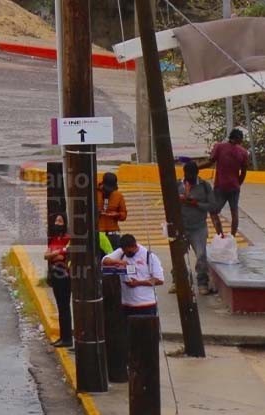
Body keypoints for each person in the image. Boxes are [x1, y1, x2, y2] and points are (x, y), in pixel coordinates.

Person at [172, 161, 216, 295]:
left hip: (198, 227)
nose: (189, 177)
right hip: (181, 226)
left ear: (197, 173)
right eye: (187, 174)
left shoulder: (204, 186)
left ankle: (202, 282)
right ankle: (177, 281)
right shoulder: (178, 185)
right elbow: (169, 203)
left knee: (201, 255)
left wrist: (196, 204)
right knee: (179, 255)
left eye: (192, 174)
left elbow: (212, 206)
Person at [200, 128, 249, 236]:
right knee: (234, 213)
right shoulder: (244, 152)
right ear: (238, 139)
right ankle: (232, 236)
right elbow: (244, 173)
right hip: (234, 187)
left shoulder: (219, 147)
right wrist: (237, 183)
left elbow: (210, 162)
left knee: (213, 211)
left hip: (220, 187)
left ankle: (220, 234)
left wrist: (196, 167)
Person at [102, 234, 164, 318]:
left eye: (129, 252)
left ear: (134, 246)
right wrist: (119, 262)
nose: (127, 254)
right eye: (124, 251)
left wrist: (138, 283)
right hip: (127, 304)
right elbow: (105, 261)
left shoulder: (149, 256)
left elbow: (159, 280)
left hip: (146, 304)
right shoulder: (121, 253)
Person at [44, 214, 71, 348]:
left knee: (64, 306)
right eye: (55, 221)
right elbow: (46, 255)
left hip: (64, 273)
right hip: (54, 272)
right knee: (60, 306)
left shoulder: (68, 238)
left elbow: (67, 254)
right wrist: (57, 253)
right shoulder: (54, 239)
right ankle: (63, 336)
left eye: (60, 221)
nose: (57, 223)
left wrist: (56, 255)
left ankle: (67, 338)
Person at [97, 172, 127, 249]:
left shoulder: (118, 195)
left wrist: (117, 214)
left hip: (113, 233)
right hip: (99, 232)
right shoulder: (95, 193)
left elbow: (124, 215)